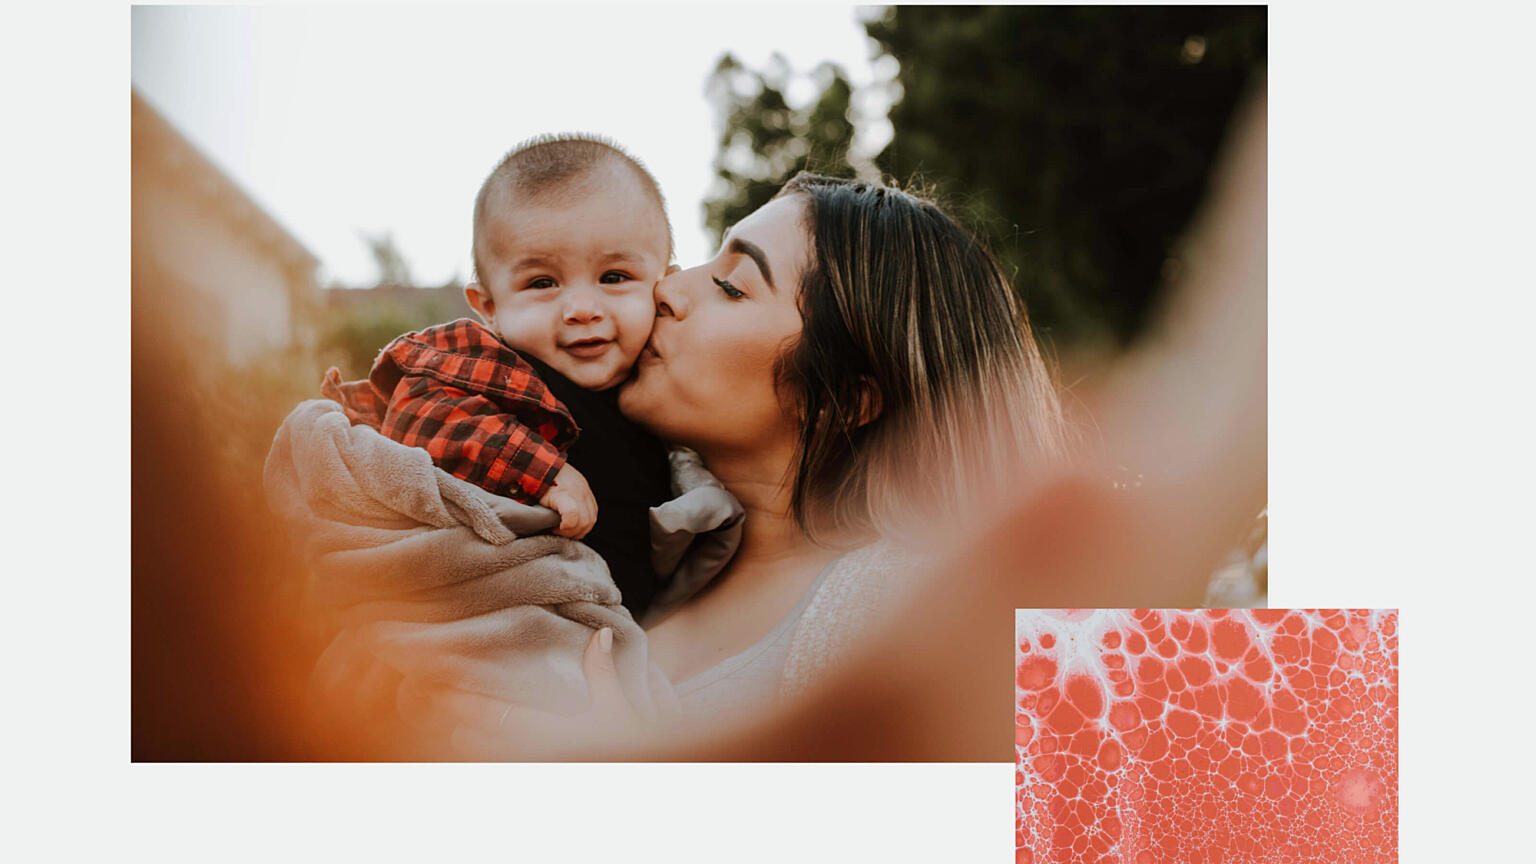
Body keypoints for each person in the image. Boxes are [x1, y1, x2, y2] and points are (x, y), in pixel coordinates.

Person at [319, 134, 676, 618]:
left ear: (666, 283)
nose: (582, 309)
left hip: (629, 632)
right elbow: (421, 412)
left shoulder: (670, 383)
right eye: (542, 283)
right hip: (503, 619)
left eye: (614, 277)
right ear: (490, 308)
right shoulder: (494, 366)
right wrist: (542, 472)